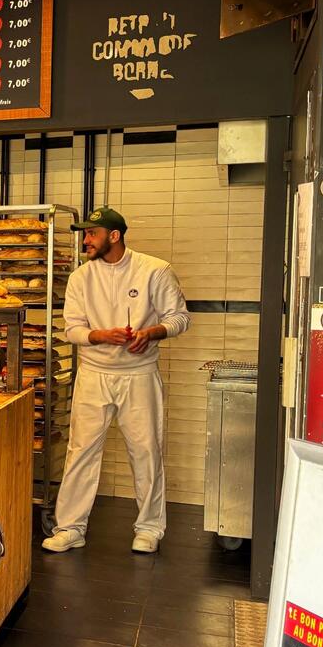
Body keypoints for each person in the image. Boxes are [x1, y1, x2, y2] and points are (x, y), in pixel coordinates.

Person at [42, 207, 190, 555]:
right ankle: (71, 528)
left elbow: (180, 318)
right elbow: (72, 328)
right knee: (81, 452)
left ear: (114, 235)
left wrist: (152, 333)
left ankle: (150, 528)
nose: (85, 240)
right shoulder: (81, 277)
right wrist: (99, 335)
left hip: (138, 376)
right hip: (93, 374)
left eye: (91, 234)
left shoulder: (155, 270)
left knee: (146, 451)